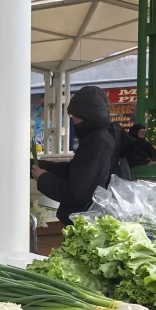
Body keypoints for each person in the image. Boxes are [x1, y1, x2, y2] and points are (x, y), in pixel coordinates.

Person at [31, 86, 131, 224]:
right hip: (106, 218)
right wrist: (43, 166)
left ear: (85, 115)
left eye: (73, 116)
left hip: (90, 224)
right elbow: (79, 171)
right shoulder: (110, 133)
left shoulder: (96, 141)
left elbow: (78, 192)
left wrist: (44, 179)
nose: (73, 120)